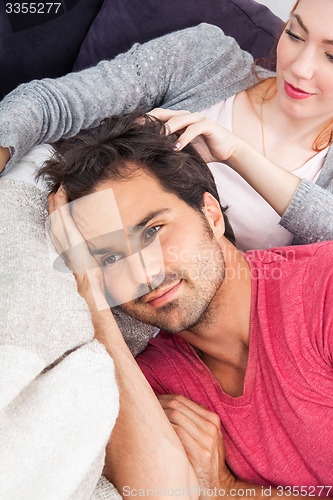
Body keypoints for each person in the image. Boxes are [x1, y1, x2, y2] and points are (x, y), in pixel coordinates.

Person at [42, 112, 333, 497]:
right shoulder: (151, 379)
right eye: (109, 258)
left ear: (210, 214)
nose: (143, 274)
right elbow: (157, 490)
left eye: (152, 231)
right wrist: (91, 299)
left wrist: (225, 488)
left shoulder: (322, 287)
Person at [1, 0, 333, 250]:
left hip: (146, 311)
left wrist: (236, 153)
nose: (300, 68)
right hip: (52, 209)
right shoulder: (205, 56)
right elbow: (59, 102)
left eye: (331, 56)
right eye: (295, 34)